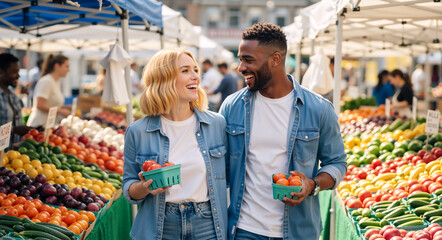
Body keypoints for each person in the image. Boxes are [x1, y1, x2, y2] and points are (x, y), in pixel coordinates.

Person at [219, 23, 347, 240]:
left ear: (275, 59)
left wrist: (312, 184)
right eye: (240, 59)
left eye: (248, 60)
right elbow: (218, 169)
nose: (241, 67)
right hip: (244, 230)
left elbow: (337, 163)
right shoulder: (232, 107)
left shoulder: (319, 109)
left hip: (298, 232)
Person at [122, 49, 227, 240]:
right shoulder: (137, 131)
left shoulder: (217, 124)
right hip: (159, 227)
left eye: (195, 70)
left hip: (207, 226)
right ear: (164, 79)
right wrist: (144, 187)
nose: (196, 76)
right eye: (185, 71)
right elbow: (129, 187)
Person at [26, 54, 71, 127]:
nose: (68, 70)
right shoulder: (47, 81)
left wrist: (65, 107)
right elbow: (40, 105)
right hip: (39, 126)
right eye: (66, 66)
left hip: (48, 125)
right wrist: (61, 111)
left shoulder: (56, 81)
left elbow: (51, 103)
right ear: (57, 66)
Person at [0, 53, 33, 148]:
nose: (18, 76)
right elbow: (14, 128)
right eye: (14, 72)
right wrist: (13, 130)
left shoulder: (12, 94)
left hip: (13, 156)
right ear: (1, 71)